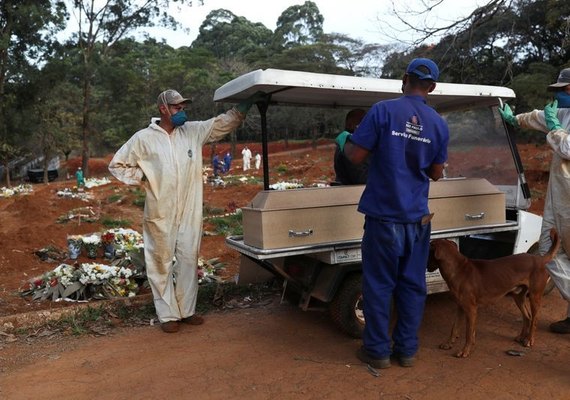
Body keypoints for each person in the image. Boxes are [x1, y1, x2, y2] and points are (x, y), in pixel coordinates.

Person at [109, 88, 266, 333]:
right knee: (160, 260)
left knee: (188, 258)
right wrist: (145, 177)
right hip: (160, 209)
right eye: (177, 108)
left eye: (183, 108)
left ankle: (187, 310)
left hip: (190, 208)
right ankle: (168, 315)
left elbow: (221, 124)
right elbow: (117, 164)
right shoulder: (143, 138)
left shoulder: (192, 132)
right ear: (163, 109)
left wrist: (244, 107)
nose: (182, 112)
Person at [337, 58, 449, 368]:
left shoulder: (383, 111)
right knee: (413, 285)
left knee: (378, 285)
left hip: (384, 217)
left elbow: (357, 156)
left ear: (404, 79)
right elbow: (437, 173)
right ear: (432, 87)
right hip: (417, 219)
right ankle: (407, 351)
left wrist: (348, 140)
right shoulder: (438, 123)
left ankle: (376, 351)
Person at [499, 67, 570, 334]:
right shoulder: (562, 113)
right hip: (560, 196)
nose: (561, 95)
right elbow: (536, 117)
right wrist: (514, 119)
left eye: (563, 89)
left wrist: (555, 128)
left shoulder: (559, 119)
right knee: (548, 250)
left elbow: (567, 148)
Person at [333, 109, 367, 184]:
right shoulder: (350, 144)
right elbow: (361, 178)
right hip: (352, 192)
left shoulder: (353, 143)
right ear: (350, 125)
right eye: (362, 120)